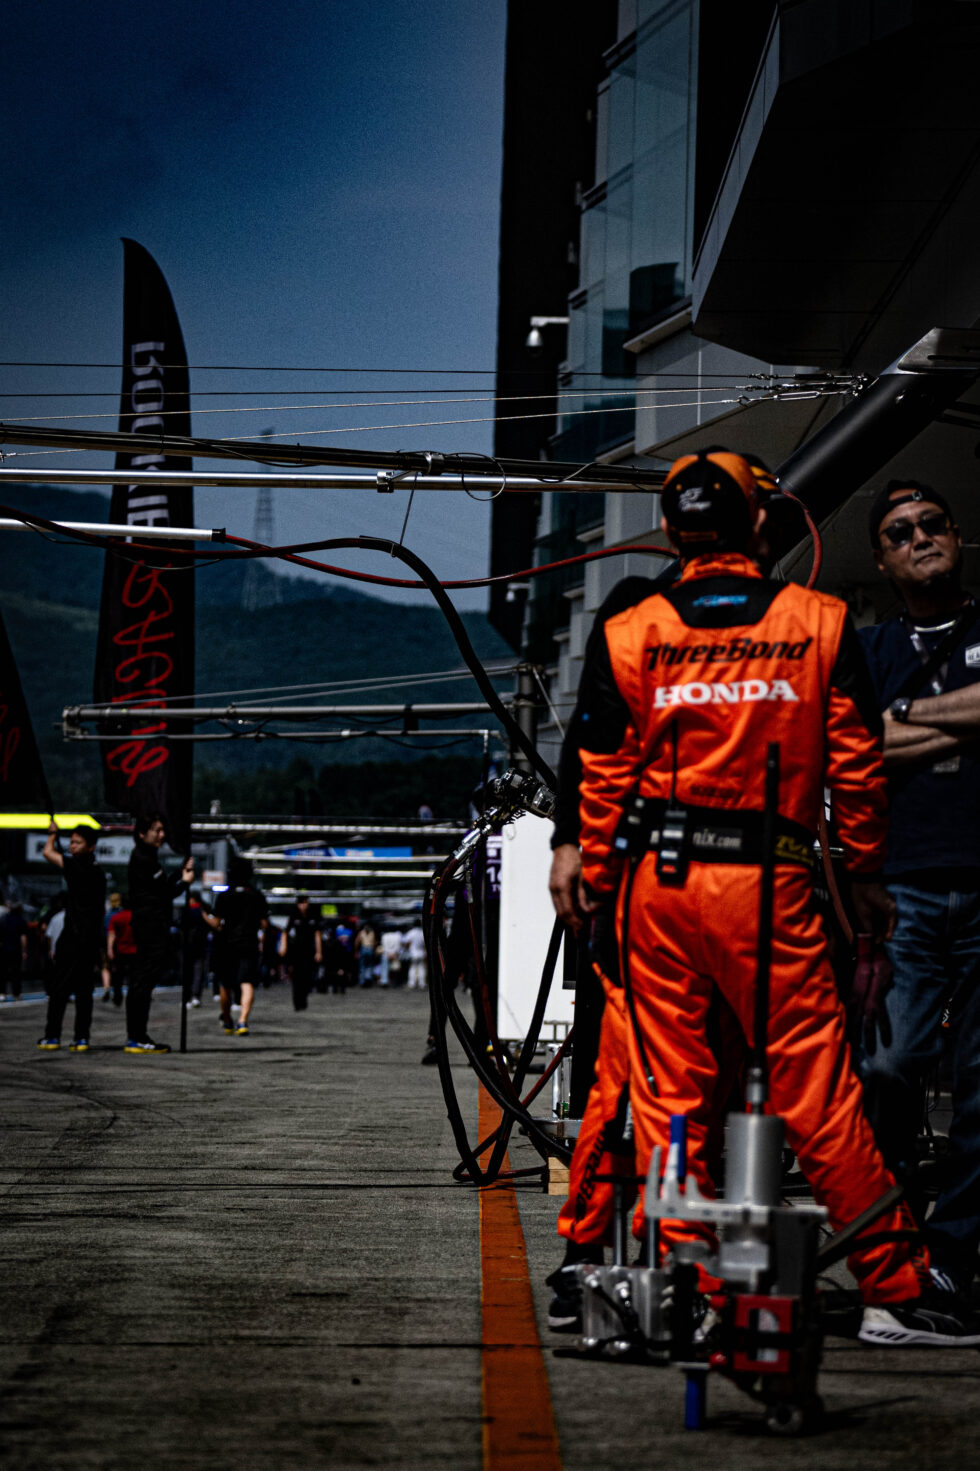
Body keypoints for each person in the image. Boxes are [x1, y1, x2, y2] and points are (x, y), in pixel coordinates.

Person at [572, 446, 980, 1345]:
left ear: (674, 530)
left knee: (672, 1099)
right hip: (770, 892)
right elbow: (857, 769)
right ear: (760, 522)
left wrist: (599, 889)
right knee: (820, 1096)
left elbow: (603, 776)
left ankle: (680, 1292)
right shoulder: (819, 621)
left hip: (658, 892)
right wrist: (864, 878)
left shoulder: (632, 628)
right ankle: (895, 1287)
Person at [858, 479, 980, 1298]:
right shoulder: (869, 649)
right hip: (902, 886)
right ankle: (892, 1234)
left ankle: (952, 1254)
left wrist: (904, 719)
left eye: (931, 524)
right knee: (890, 1063)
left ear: (957, 534)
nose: (919, 538)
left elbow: (884, 733)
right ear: (882, 559)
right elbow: (855, 745)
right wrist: (958, 716)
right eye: (899, 532)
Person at [126, 813, 194, 1055]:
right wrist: (184, 882)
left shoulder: (147, 857)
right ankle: (137, 1036)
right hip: (150, 926)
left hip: (149, 924)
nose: (161, 835)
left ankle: (137, 1036)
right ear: (142, 833)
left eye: (162, 830)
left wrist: (179, 873)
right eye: (156, 830)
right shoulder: (143, 858)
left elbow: (161, 887)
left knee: (142, 982)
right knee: (143, 982)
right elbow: (163, 894)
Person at [37, 823, 106, 1052]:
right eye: (71, 842)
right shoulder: (98, 872)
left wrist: (52, 834)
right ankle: (81, 1038)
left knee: (60, 989)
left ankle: (52, 1036)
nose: (72, 846)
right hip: (90, 939)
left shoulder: (75, 866)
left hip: (73, 937)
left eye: (77, 843)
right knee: (84, 990)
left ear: (90, 846)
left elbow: (48, 852)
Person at [213, 857, 268, 1037]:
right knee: (247, 983)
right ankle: (243, 1021)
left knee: (225, 984)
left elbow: (216, 922)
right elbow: (264, 923)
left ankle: (227, 1019)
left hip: (227, 944)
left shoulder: (224, 895)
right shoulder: (256, 895)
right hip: (249, 943)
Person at [280, 893, 322, 1011]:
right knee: (297, 977)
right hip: (296, 951)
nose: (305, 905)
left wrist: (319, 951)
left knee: (307, 976)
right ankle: (297, 1002)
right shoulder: (294, 915)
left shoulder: (313, 915)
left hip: (309, 950)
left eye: (306, 903)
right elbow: (285, 932)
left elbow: (317, 934)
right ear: (299, 904)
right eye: (303, 903)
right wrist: (283, 947)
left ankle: (304, 998)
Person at [106, 895, 137, 1008]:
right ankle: (133, 997)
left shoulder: (117, 917)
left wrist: (110, 949)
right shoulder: (136, 917)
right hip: (134, 951)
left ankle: (117, 997)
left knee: (118, 976)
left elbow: (111, 934)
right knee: (133, 976)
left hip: (120, 951)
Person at [0, 899, 29, 1001]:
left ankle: (2, 993)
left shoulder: (3, 919)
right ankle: (16, 993)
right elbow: (23, 937)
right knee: (16, 972)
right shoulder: (21, 920)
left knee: (3, 972)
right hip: (15, 950)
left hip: (3, 949)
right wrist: (24, 950)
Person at [404, 921, 427, 990]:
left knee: (412, 968)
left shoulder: (410, 932)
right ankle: (422, 983)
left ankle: (412, 983)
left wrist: (406, 950)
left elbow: (407, 943)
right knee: (421, 968)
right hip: (421, 952)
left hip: (413, 953)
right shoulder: (422, 932)